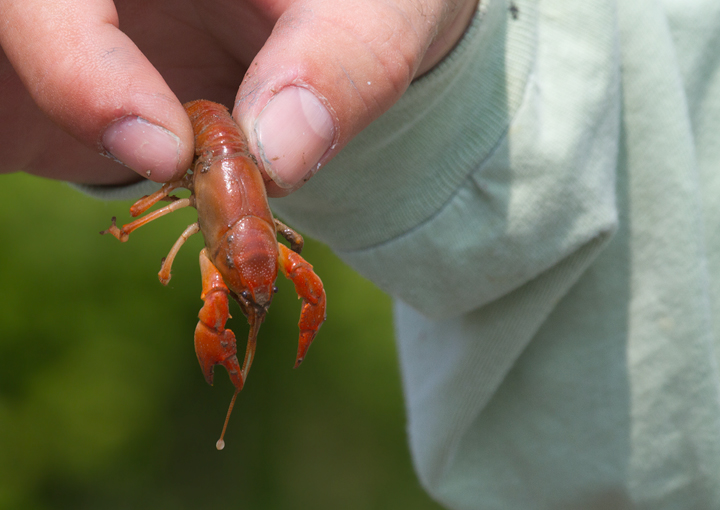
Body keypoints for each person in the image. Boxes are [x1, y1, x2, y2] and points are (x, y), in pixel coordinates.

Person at [2, 0, 720, 508]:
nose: (266, 292)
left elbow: (300, 284)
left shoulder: (242, 256)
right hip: (209, 139)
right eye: (267, 287)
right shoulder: (222, 245)